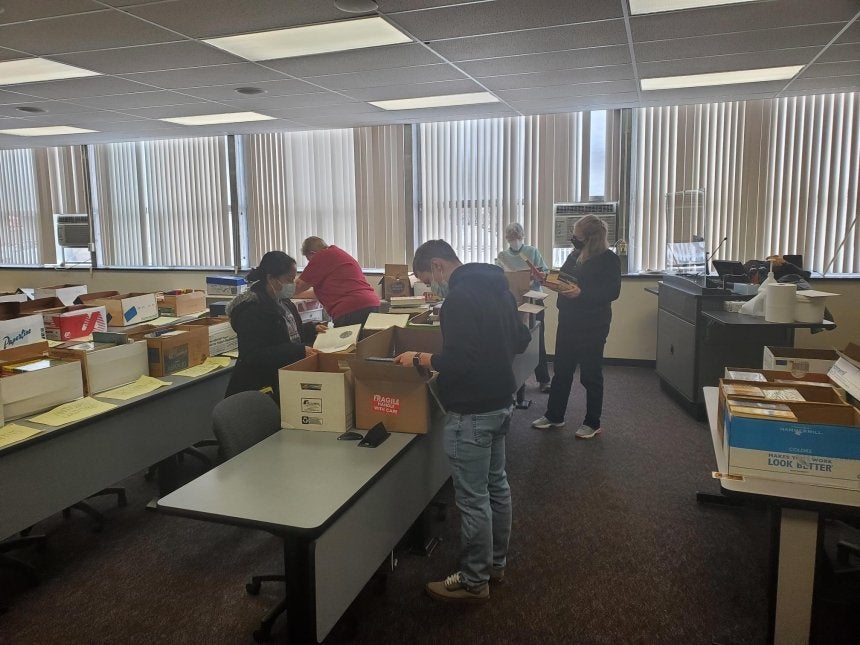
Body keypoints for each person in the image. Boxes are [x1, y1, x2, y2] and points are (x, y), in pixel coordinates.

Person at [394, 239, 530, 603]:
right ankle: (495, 564)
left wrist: (421, 357)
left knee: (472, 500)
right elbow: (521, 339)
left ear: (438, 266)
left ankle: (473, 581)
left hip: (471, 412)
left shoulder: (458, 299)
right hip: (500, 402)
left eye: (428, 279)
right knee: (497, 487)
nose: (431, 286)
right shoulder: (499, 288)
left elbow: (458, 361)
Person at [531, 215, 621, 438]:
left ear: (591, 238)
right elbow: (562, 278)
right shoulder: (574, 255)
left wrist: (582, 293)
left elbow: (612, 292)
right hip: (568, 320)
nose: (573, 239)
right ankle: (554, 415)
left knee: (590, 374)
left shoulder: (609, 259)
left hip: (593, 323)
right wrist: (544, 279)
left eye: (577, 236)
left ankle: (592, 422)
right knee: (561, 371)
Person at [225, 251, 317, 397]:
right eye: (288, 279)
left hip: (283, 377)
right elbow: (253, 356)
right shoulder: (251, 309)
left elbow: (287, 333)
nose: (292, 284)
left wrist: (312, 329)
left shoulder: (283, 301)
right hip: (259, 387)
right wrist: (297, 351)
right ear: (271, 278)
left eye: (293, 279)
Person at [496, 222, 551, 392]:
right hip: (513, 303)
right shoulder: (502, 256)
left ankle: (543, 379)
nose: (514, 240)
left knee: (537, 339)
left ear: (522, 237)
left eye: (517, 237)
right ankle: (518, 380)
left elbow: (545, 273)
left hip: (533, 298)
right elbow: (498, 277)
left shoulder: (532, 252)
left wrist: (537, 277)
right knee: (515, 340)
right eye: (511, 237)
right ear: (507, 238)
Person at [293, 237, 380, 327]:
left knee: (346, 336)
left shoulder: (321, 256)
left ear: (312, 253)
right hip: (371, 304)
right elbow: (319, 293)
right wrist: (296, 295)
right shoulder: (338, 254)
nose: (310, 264)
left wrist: (284, 292)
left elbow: (298, 286)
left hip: (350, 309)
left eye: (309, 260)